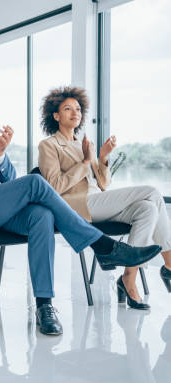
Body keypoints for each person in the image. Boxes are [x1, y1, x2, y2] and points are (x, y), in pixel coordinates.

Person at [0, 72, 161, 336]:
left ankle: (44, 305)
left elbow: (9, 179)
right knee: (34, 183)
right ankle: (101, 245)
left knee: (42, 214)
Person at [38, 86, 171, 309]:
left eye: (78, 109)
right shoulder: (49, 146)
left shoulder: (84, 144)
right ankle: (169, 265)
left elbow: (103, 184)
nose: (75, 113)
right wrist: (84, 163)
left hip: (98, 200)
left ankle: (128, 279)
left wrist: (101, 157)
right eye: (68, 109)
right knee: (152, 192)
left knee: (148, 209)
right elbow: (53, 187)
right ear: (56, 116)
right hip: (76, 206)